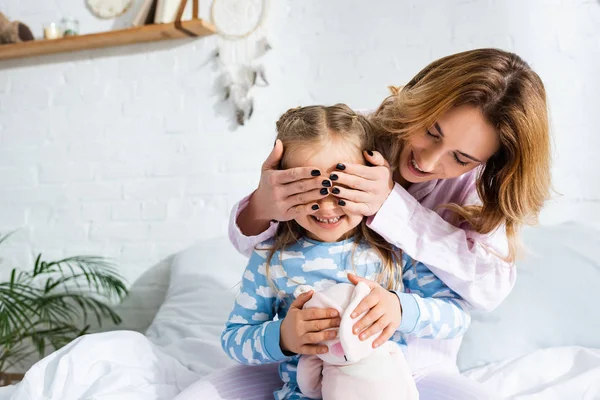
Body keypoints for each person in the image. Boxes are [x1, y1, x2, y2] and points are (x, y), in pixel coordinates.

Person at [175, 48, 550, 399]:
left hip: (407, 365)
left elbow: (485, 292)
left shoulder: (469, 195)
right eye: (431, 131)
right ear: (417, 97)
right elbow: (264, 254)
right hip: (294, 368)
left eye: (463, 158)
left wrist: (391, 208)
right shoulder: (353, 136)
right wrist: (265, 203)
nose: (431, 161)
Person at [219, 105, 469, 399]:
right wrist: (284, 337)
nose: (326, 207)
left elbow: (455, 318)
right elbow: (234, 339)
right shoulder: (270, 258)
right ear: (282, 186)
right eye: (308, 190)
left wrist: (399, 309)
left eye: (342, 190)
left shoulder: (394, 249)